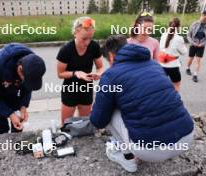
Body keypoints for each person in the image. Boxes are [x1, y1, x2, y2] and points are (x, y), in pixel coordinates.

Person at [90, 35, 194, 172]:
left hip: (150, 151)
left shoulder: (110, 76)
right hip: (186, 138)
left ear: (111, 55)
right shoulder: (155, 65)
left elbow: (98, 120)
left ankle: (127, 159)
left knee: (108, 110)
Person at [0, 43, 46, 134]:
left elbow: (28, 87)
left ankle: (16, 136)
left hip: (11, 78)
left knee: (16, 110)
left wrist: (23, 106)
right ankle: (2, 134)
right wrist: (10, 114)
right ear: (20, 69)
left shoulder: (32, 63)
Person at [56, 16, 103, 124]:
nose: (87, 42)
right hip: (70, 90)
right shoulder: (66, 50)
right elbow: (60, 74)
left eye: (90, 38)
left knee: (84, 123)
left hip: (86, 89)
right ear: (76, 33)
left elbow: (100, 67)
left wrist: (98, 74)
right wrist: (76, 73)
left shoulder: (94, 46)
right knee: (66, 125)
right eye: (84, 38)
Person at [158, 18, 187, 91]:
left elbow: (161, 48)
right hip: (173, 66)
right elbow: (184, 52)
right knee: (176, 85)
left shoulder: (163, 35)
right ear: (178, 27)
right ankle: (173, 100)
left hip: (161, 64)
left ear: (169, 25)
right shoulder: (179, 38)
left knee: (161, 85)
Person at [186, 10, 206, 83]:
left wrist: (203, 43)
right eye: (204, 15)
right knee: (190, 58)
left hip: (201, 45)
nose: (205, 16)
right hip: (193, 44)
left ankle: (195, 75)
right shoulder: (194, 24)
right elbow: (188, 35)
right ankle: (188, 68)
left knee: (198, 60)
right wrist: (192, 42)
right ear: (201, 15)